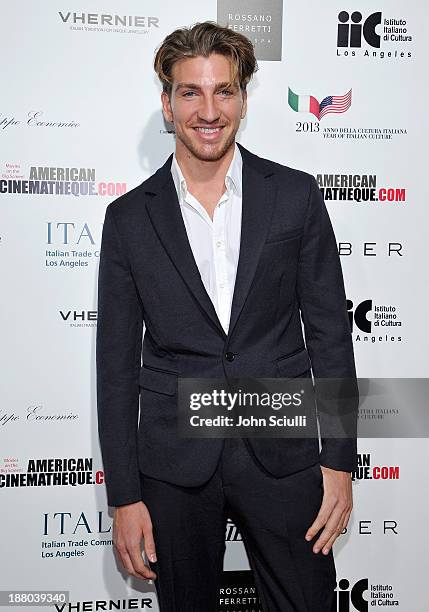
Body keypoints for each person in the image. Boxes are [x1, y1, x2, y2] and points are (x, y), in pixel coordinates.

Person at [96, 21, 358, 612]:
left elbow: (330, 338)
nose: (208, 110)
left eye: (224, 91)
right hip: (174, 461)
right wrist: (125, 497)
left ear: (242, 98)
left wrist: (339, 461)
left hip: (283, 450)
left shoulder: (295, 196)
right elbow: (114, 367)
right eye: (191, 92)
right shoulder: (129, 219)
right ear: (167, 102)